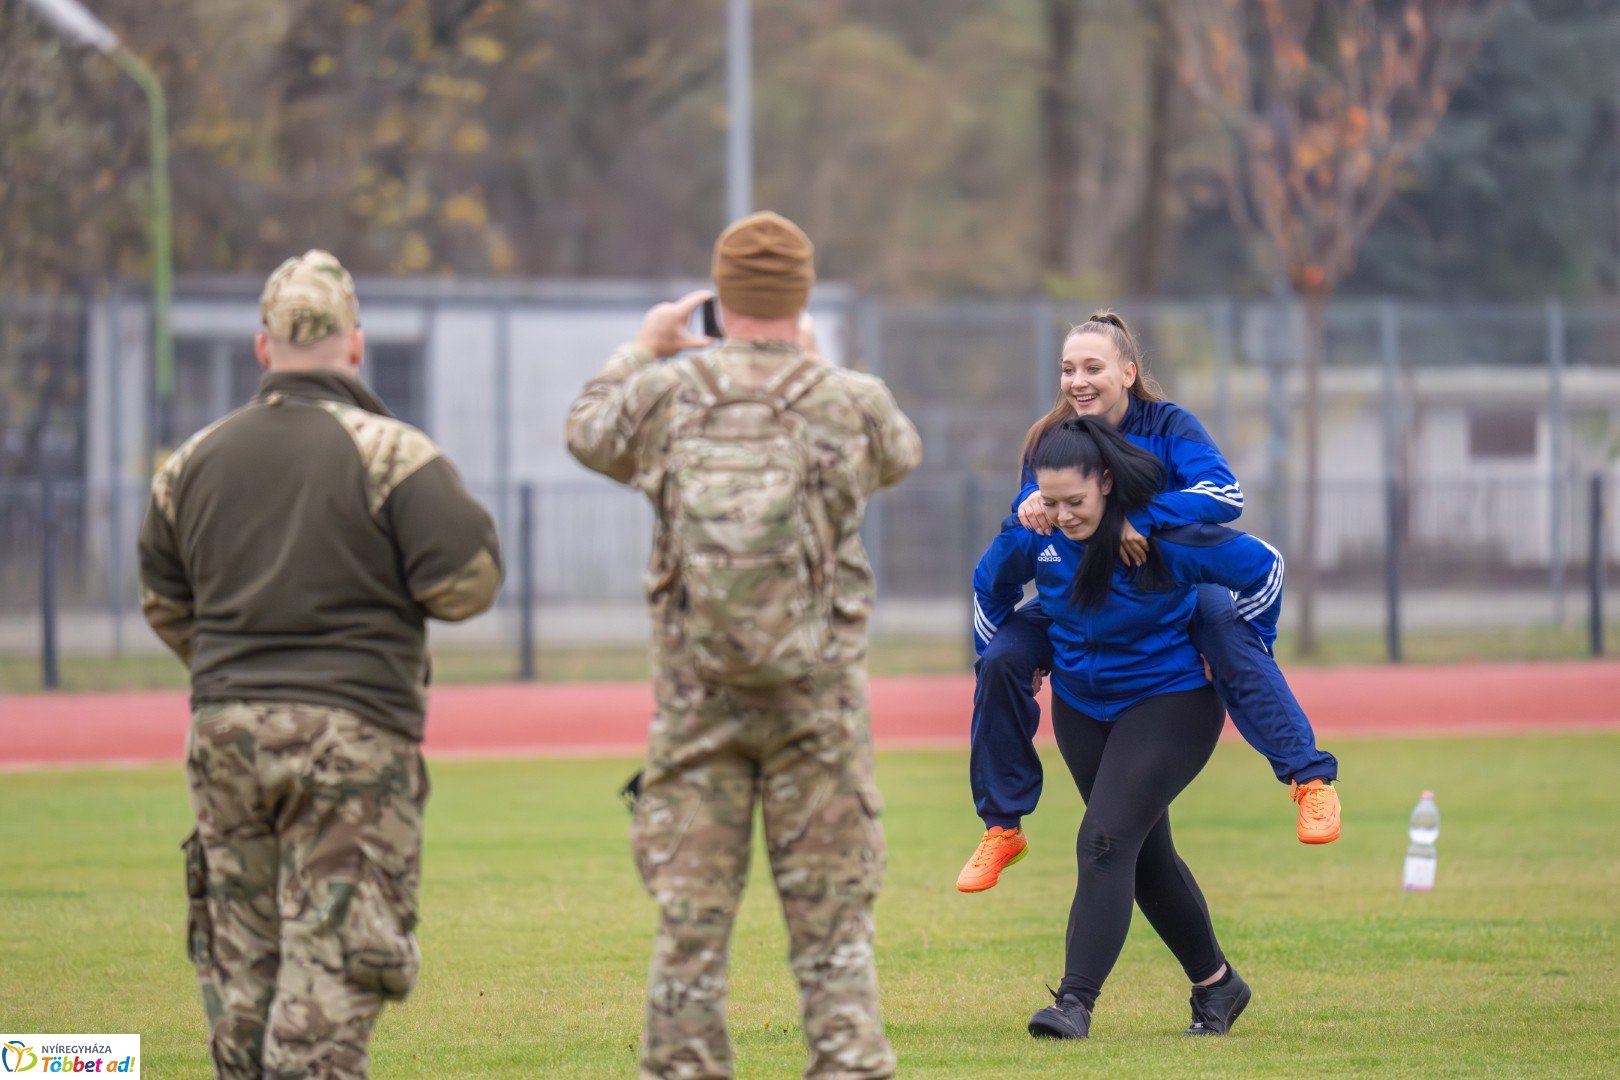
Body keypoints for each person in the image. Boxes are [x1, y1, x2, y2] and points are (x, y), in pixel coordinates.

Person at [566, 211, 921, 1080]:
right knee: (834, 940)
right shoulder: (848, 400)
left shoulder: (665, 395)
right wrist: (809, 360)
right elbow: (899, 452)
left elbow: (585, 429)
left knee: (690, 937)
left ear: (719, 299)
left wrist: (645, 348)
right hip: (818, 706)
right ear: (801, 299)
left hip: (699, 707)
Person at [137, 250, 502, 1078]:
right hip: (351, 736)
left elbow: (162, 599)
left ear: (263, 349)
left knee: (242, 973)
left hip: (225, 733)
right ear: (356, 345)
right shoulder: (392, 455)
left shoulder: (191, 462)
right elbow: (469, 582)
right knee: (330, 979)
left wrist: (234, 662)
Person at [956, 312, 1339, 893]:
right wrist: (1027, 508)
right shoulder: (1051, 437)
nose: (1077, 380)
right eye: (1067, 368)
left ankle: (1309, 780)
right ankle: (1002, 827)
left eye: (1093, 367)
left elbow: (1225, 493)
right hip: (1075, 592)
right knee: (1004, 657)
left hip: (1170, 581)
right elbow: (1032, 518)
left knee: (1230, 635)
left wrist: (1143, 517)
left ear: (1129, 373)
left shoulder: (1169, 425)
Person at [975, 415, 1286, 1039]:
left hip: (1172, 702)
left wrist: (1241, 645)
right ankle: (1217, 985)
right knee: (1141, 854)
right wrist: (1011, 657)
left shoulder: (1159, 532)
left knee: (1104, 843)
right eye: (1049, 500)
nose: (1062, 514)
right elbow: (990, 588)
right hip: (1084, 707)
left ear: (1109, 484)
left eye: (1077, 501)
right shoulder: (1041, 532)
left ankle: (1074, 1003)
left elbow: (1263, 566)